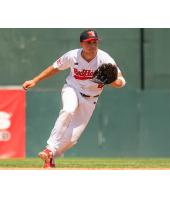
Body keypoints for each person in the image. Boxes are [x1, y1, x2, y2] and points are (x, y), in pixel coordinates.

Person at [22, 29, 126, 168]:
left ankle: (50, 155)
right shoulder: (72, 56)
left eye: (95, 42)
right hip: (72, 89)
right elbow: (55, 67)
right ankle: (50, 147)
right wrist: (35, 80)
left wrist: (113, 81)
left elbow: (121, 81)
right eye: (89, 43)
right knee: (68, 110)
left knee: (71, 139)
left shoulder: (105, 59)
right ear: (81, 44)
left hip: (90, 99)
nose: (93, 45)